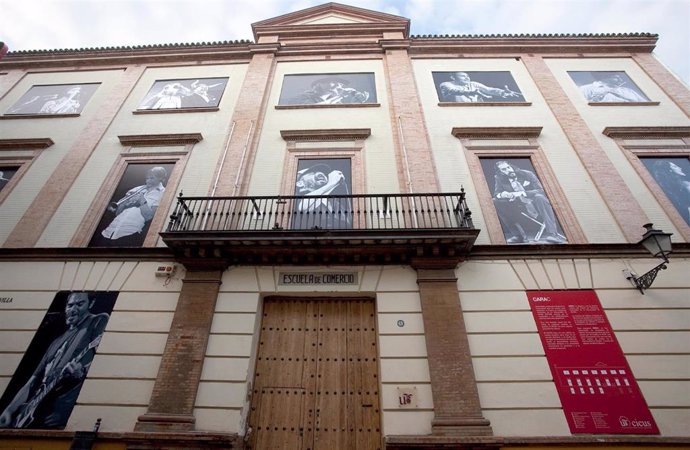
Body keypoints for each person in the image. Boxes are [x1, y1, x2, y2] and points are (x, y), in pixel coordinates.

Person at [0, 292, 109, 429]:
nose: (73, 309)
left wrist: (82, 371)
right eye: (70, 305)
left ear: (91, 304)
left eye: (80, 304)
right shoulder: (56, 341)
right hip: (34, 413)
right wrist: (9, 410)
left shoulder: (98, 321)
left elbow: (103, 364)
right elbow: (33, 381)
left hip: (61, 415)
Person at [492, 160, 566, 244]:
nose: (508, 170)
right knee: (495, 201)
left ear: (511, 166)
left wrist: (522, 193)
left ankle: (553, 235)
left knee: (540, 197)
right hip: (518, 205)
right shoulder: (499, 178)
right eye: (504, 169)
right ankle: (518, 236)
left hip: (535, 202)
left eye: (508, 167)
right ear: (500, 172)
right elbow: (496, 194)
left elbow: (542, 190)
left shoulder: (527, 174)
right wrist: (502, 194)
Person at [97, 166, 167, 246]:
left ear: (161, 178)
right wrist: (125, 202)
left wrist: (141, 200)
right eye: (147, 178)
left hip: (130, 234)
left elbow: (150, 217)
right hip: (108, 232)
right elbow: (117, 213)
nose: (148, 181)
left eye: (152, 178)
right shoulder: (137, 189)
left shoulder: (163, 193)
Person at [293, 163, 352, 229]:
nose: (320, 173)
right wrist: (331, 183)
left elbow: (347, 223)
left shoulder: (336, 203)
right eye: (312, 173)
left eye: (323, 172)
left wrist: (334, 183)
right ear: (300, 183)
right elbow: (303, 207)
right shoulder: (296, 199)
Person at [439, 72, 523, 102]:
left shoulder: (473, 84)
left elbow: (489, 90)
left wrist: (502, 92)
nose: (467, 78)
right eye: (463, 76)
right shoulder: (446, 84)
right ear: (453, 77)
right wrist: (471, 92)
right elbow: (452, 91)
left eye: (467, 76)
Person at [651, 159, 690, 225]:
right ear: (670, 170)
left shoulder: (686, 181)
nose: (679, 168)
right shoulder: (678, 189)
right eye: (675, 166)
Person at [292, 77, 370, 105]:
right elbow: (311, 109)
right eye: (333, 82)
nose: (338, 86)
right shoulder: (304, 96)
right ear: (320, 84)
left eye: (340, 84)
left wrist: (355, 104)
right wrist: (340, 96)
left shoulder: (338, 102)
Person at [578, 73, 648, 102]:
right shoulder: (587, 88)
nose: (620, 80)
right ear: (605, 77)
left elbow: (645, 105)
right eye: (616, 77)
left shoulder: (628, 91)